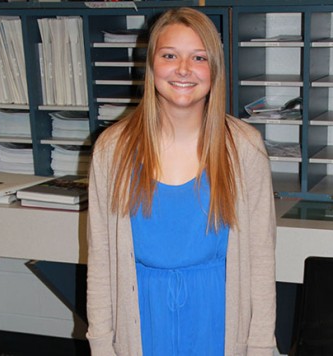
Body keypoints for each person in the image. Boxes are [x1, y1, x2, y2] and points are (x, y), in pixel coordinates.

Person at [86, 7, 277, 356]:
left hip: (217, 326)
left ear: (213, 68)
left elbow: (261, 263)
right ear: (151, 65)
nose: (184, 69)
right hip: (142, 325)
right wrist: (101, 344)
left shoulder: (244, 148)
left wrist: (261, 347)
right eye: (170, 55)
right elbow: (100, 264)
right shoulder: (112, 150)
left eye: (198, 57)